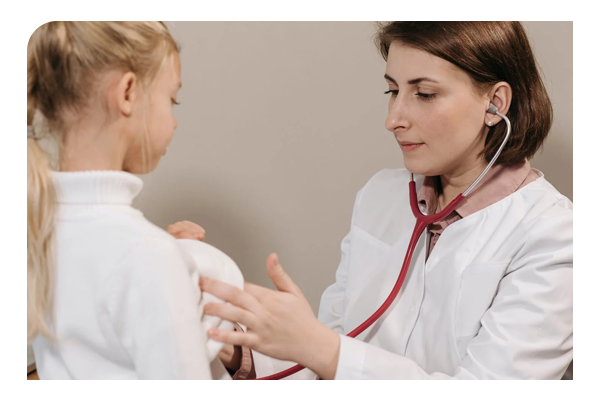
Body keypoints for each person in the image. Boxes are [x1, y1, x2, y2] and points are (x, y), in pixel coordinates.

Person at [199, 21, 574, 380]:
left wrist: (323, 348)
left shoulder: (551, 234)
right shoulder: (380, 197)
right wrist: (229, 339)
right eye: (393, 91)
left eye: (424, 94)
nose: (393, 119)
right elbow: (323, 362)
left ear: (495, 104)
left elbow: (331, 353)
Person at [26, 21, 248, 380]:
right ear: (128, 92)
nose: (174, 122)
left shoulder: (42, 230)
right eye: (171, 99)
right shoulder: (148, 257)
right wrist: (161, 265)